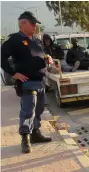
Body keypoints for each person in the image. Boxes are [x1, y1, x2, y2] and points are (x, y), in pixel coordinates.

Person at [1, 11, 52, 154]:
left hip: (41, 81)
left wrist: (47, 59)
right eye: (33, 23)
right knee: (28, 111)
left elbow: (41, 55)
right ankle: (25, 139)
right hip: (28, 82)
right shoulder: (15, 40)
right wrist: (13, 73)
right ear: (23, 24)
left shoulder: (36, 40)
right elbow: (2, 57)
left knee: (39, 110)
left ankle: (35, 133)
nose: (35, 26)